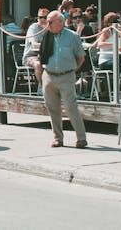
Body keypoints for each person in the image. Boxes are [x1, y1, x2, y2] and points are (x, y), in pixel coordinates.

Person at [38, 10, 87, 148]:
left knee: (71, 107)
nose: (47, 25)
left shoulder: (73, 37)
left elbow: (81, 58)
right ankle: (57, 138)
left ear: (60, 22)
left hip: (66, 76)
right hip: (49, 74)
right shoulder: (47, 35)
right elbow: (42, 55)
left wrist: (71, 71)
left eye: (49, 22)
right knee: (52, 108)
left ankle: (81, 138)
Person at [24, 8, 50, 79]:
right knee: (38, 64)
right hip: (31, 56)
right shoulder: (33, 27)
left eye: (45, 17)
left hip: (47, 56)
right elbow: (34, 45)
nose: (42, 20)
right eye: (40, 17)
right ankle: (42, 87)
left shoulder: (51, 28)